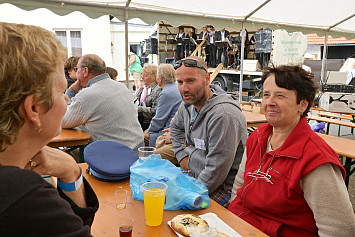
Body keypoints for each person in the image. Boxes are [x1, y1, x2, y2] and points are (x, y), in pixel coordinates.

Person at [228, 65, 355, 236]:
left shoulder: (315, 159)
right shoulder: (257, 137)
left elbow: (339, 229)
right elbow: (239, 186)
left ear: (302, 104)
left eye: (280, 95)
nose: (269, 102)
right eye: (266, 94)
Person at [0, 22, 99, 236]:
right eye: (61, 90)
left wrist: (71, 171)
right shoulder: (22, 196)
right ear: (33, 108)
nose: (66, 98)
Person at [170, 56, 247, 207]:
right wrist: (181, 156)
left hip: (223, 187)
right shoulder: (188, 104)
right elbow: (175, 128)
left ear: (207, 79)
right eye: (180, 82)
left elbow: (215, 173)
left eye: (190, 81)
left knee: (175, 213)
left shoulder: (224, 115)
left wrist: (186, 196)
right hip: (196, 174)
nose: (184, 88)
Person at [62, 54, 144, 152]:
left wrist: (70, 92)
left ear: (85, 71)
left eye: (77, 69)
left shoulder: (87, 95)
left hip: (114, 156)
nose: (76, 72)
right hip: (137, 149)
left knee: (63, 156)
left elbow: (63, 121)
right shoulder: (121, 87)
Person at [144, 64, 182, 147]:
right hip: (174, 128)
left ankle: (150, 158)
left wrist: (148, 130)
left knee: (142, 138)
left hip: (167, 130)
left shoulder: (166, 93)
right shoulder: (175, 87)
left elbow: (159, 119)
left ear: (160, 78)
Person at [135, 63, 162, 131]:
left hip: (149, 123)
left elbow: (156, 111)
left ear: (154, 77)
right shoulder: (142, 89)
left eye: (145, 76)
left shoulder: (157, 90)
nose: (142, 78)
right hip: (140, 121)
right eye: (142, 75)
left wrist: (139, 109)